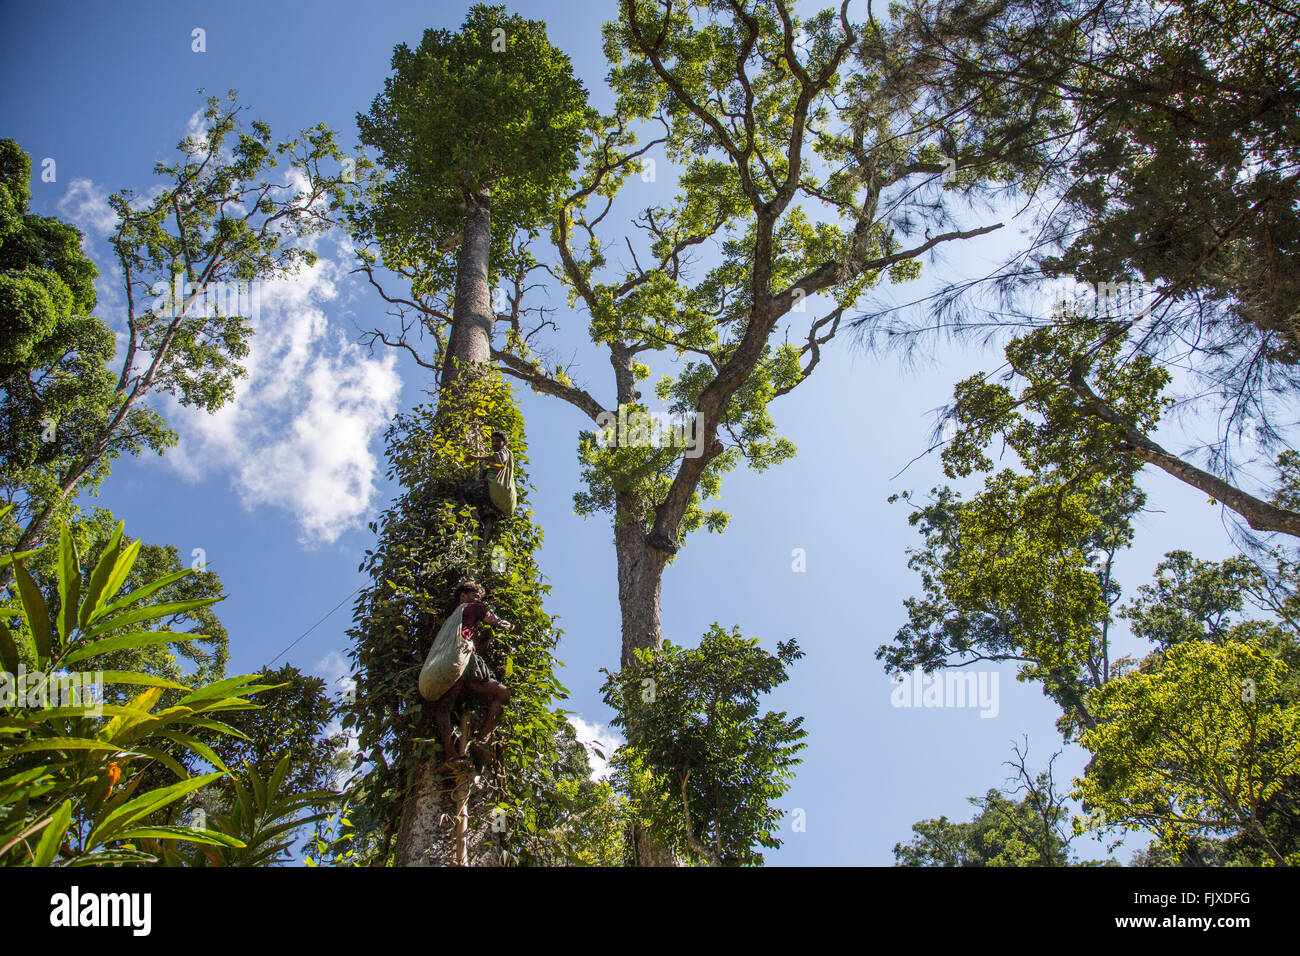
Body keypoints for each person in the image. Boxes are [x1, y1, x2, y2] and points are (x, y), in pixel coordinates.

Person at [434, 580, 513, 770]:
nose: (478, 599)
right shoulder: (473, 608)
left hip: (445, 661)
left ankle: (451, 755)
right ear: (463, 595)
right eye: (475, 595)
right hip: (462, 660)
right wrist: (509, 626)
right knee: (502, 693)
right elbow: (496, 621)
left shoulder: (451, 618)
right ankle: (482, 739)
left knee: (445, 706)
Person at [456, 429, 516, 539]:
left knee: (460, 491)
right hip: (506, 501)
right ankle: (483, 543)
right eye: (493, 441)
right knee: (489, 515)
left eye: (498, 441)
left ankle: (471, 511)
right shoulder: (510, 460)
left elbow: (500, 459)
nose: (494, 444)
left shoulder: (505, 452)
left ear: (505, 443)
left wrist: (477, 457)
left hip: (495, 488)